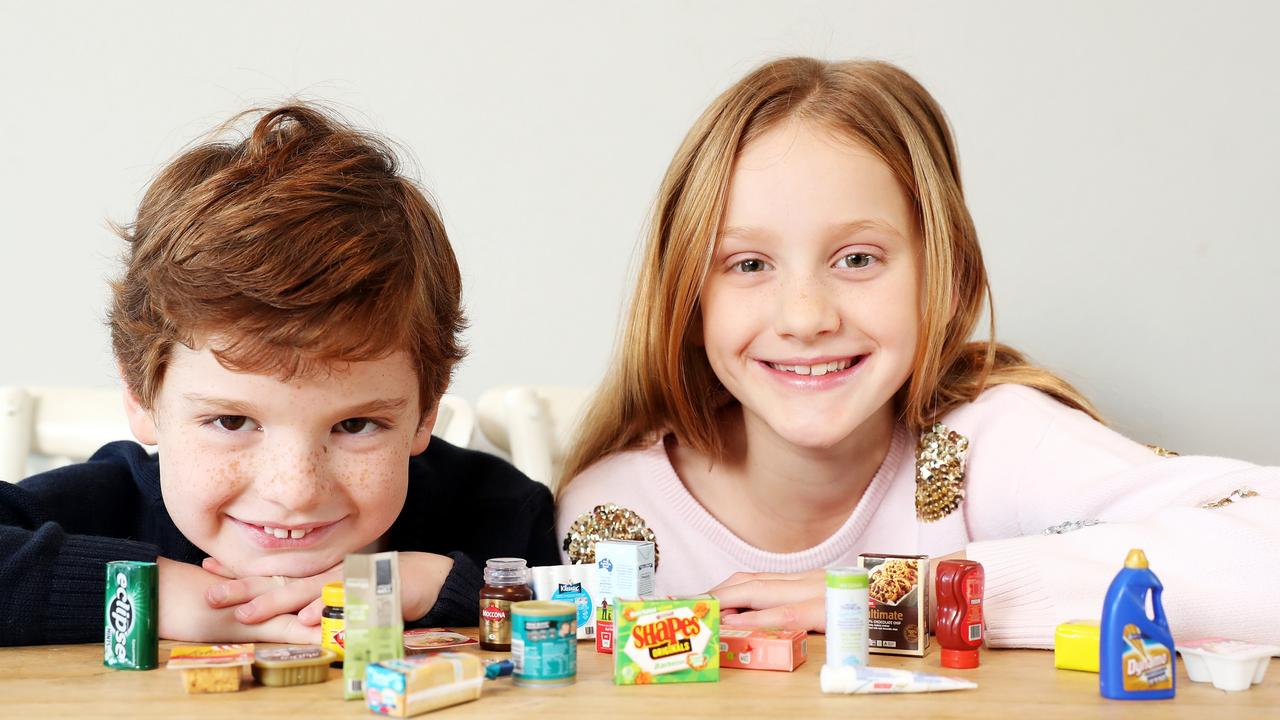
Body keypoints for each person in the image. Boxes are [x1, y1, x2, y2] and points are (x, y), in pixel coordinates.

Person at [556, 57, 1279, 647]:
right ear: (689, 298)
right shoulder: (619, 518)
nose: (805, 317)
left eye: (859, 259)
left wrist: (923, 592)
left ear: (947, 275)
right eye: (748, 265)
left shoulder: (989, 446)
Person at [0, 104, 559, 646]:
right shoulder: (103, 506)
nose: (294, 492)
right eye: (231, 420)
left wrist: (449, 588)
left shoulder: (501, 518)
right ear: (142, 399)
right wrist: (153, 595)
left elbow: (584, 621)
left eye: (358, 425)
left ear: (426, 410)